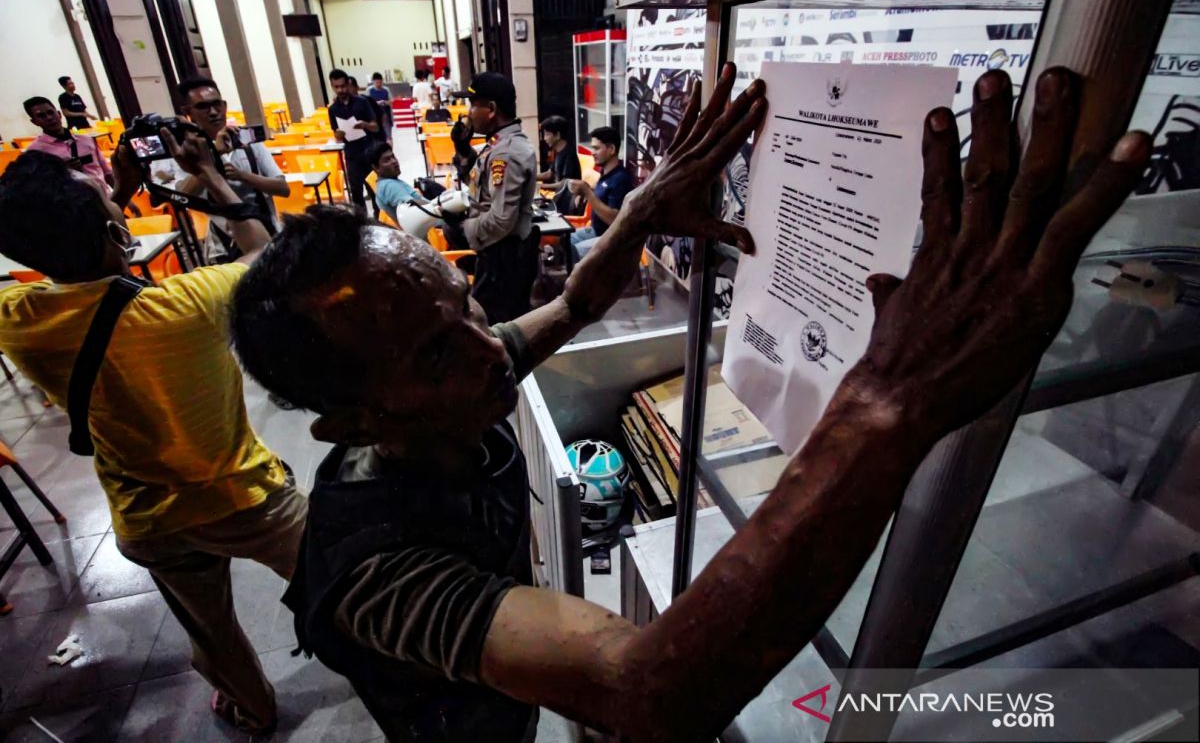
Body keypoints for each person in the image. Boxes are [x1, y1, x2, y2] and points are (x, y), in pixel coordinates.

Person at [228, 64, 1150, 741]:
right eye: (436, 351)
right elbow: (649, 691)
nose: (486, 348)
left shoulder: (455, 381)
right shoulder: (375, 576)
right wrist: (888, 399)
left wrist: (640, 209)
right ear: (352, 422)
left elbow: (575, 304)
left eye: (465, 308)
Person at [0, 132, 309, 736]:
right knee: (334, 579)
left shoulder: (21, 321)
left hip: (149, 518)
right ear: (116, 230)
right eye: (106, 200)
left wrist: (110, 193)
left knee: (211, 631)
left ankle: (254, 706)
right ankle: (385, 658)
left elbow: (80, 257)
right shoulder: (189, 304)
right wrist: (214, 177)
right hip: (248, 500)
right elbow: (265, 256)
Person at [159, 76, 288, 260]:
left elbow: (283, 188)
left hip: (267, 232)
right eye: (203, 107)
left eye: (216, 104)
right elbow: (183, 197)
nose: (213, 112)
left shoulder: (249, 142)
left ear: (224, 106)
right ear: (189, 112)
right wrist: (214, 154)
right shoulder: (188, 151)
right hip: (223, 244)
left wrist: (243, 176)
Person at [449, 71, 539, 323]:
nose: (468, 112)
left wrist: (462, 230)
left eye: (472, 104)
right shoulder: (497, 145)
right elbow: (479, 186)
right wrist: (463, 150)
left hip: (505, 259)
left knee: (495, 330)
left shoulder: (506, 153)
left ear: (490, 108)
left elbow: (501, 220)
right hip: (496, 254)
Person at [567, 125, 634, 258]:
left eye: (597, 148)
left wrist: (588, 193)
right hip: (596, 231)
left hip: (613, 239)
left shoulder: (621, 179)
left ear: (611, 149)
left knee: (574, 251)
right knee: (564, 239)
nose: (592, 152)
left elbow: (614, 219)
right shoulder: (606, 173)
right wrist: (585, 193)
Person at [23, 96, 112, 187]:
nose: (49, 118)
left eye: (51, 112)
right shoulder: (35, 151)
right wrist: (62, 171)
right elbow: (38, 187)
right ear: (34, 122)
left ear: (59, 114)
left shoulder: (86, 140)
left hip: (105, 197)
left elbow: (108, 173)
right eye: (41, 116)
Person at [328, 68, 380, 215]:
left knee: (374, 189)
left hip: (368, 150)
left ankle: (378, 218)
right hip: (351, 154)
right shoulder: (333, 109)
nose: (340, 90)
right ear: (332, 87)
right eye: (336, 87)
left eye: (343, 86)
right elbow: (336, 135)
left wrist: (365, 125)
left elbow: (375, 127)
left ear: (348, 84)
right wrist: (338, 134)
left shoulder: (362, 102)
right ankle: (362, 221)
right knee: (356, 191)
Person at [368, 141, 429, 225]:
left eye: (393, 157)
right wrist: (440, 207)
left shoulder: (387, 182)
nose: (394, 161)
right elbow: (415, 206)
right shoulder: (389, 186)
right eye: (387, 160)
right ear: (376, 168)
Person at [537, 115, 581, 216]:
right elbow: (550, 174)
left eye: (547, 134)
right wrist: (529, 177)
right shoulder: (558, 152)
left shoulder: (569, 154)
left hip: (565, 205)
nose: (544, 138)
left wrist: (541, 186)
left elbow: (565, 184)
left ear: (557, 135)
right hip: (558, 200)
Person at [368, 72, 393, 136]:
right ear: (373, 82)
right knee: (376, 136)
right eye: (377, 83)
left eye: (380, 82)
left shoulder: (386, 90)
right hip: (374, 117)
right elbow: (367, 103)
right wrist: (376, 103)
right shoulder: (370, 90)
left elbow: (391, 102)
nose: (379, 84)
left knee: (388, 135)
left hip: (386, 116)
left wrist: (385, 102)